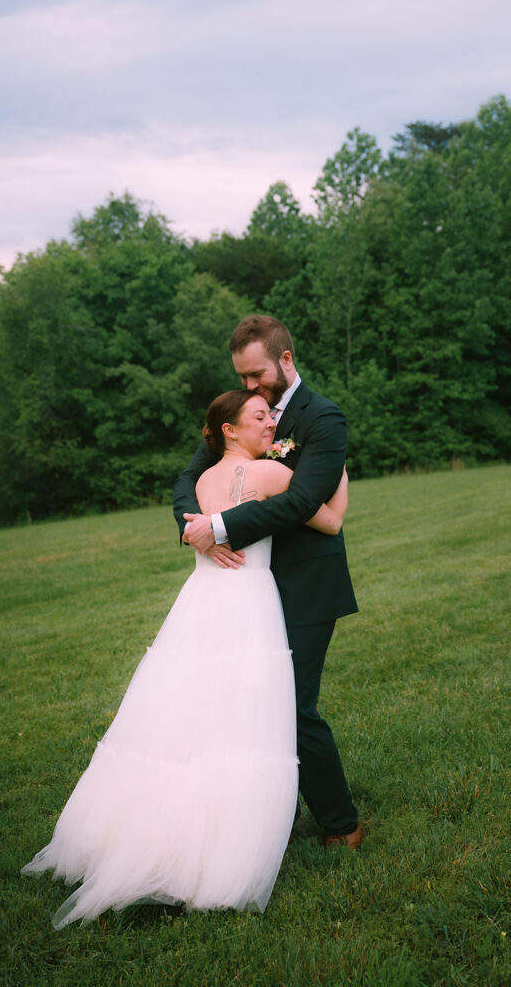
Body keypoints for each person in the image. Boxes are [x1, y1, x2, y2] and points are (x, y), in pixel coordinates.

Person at [22, 389, 348, 926]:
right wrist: (336, 467)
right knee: (245, 723)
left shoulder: (200, 483)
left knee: (188, 719)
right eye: (260, 417)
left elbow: (197, 517)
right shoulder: (268, 477)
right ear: (230, 430)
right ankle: (222, 846)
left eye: (271, 415)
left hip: (199, 603)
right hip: (247, 603)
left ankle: (154, 833)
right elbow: (330, 519)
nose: (271, 424)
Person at [173, 315, 362, 849]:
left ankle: (340, 825)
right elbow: (189, 480)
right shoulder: (237, 415)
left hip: (304, 584)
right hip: (242, 590)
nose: (249, 386)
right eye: (242, 376)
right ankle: (255, 816)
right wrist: (197, 529)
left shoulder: (324, 418)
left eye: (256, 375)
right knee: (246, 705)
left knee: (292, 706)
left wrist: (223, 526)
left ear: (284, 360)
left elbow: (306, 503)